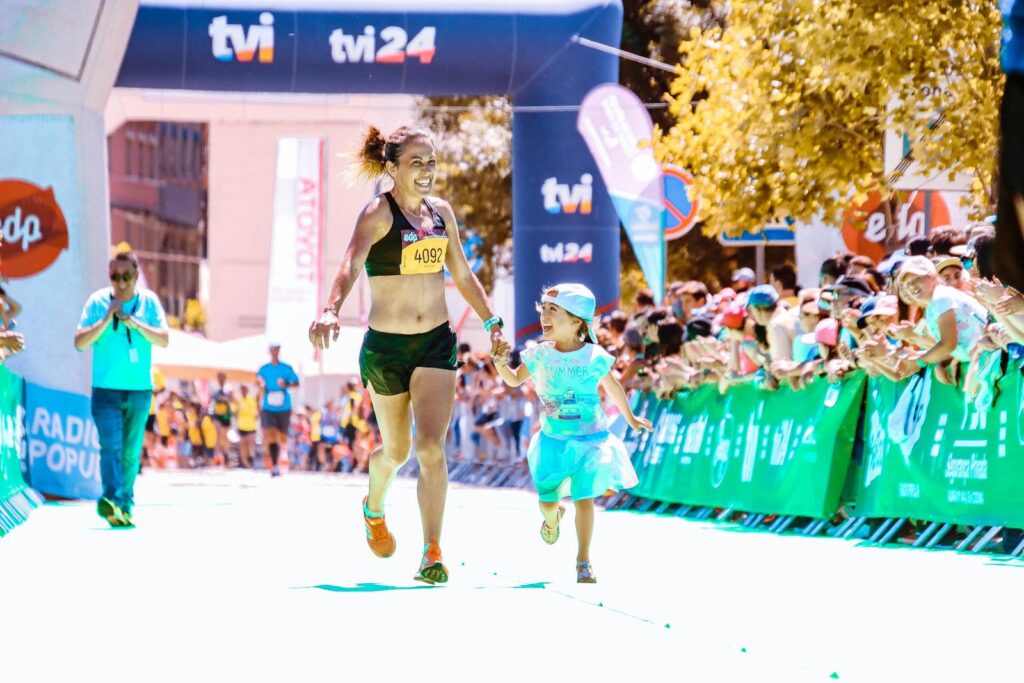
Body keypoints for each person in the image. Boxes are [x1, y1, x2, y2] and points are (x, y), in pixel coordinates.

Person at [308, 124, 506, 584]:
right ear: (392, 167)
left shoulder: (441, 214)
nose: (426, 171)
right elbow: (350, 262)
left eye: (431, 162)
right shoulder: (378, 213)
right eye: (415, 162)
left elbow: (461, 271)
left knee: (431, 447)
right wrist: (330, 310)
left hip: (435, 342)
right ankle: (373, 507)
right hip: (386, 348)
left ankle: (432, 551)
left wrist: (493, 321)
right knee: (396, 451)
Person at [491, 283, 653, 583]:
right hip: (554, 441)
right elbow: (513, 380)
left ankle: (583, 561)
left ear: (577, 320)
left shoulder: (594, 355)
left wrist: (630, 418)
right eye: (544, 310)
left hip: (591, 441)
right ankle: (552, 521)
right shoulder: (538, 354)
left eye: (554, 310)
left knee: (584, 498)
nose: (544, 316)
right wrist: (500, 363)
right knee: (548, 502)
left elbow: (614, 387)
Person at [74, 251, 169, 527]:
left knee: (130, 451)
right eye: (115, 276)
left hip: (139, 391)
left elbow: (163, 339)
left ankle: (125, 503)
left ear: (136, 276)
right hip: (105, 390)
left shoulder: (149, 303)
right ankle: (112, 499)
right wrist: (106, 319)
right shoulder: (97, 302)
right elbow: (80, 342)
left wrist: (134, 323)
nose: (121, 282)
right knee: (110, 447)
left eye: (126, 276)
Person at [257, 343, 299, 477]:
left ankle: (283, 456)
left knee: (282, 436)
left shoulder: (286, 368)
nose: (275, 351)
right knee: (270, 434)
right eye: (273, 349)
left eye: (277, 349)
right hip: (268, 406)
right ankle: (275, 465)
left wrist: (286, 384)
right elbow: (257, 380)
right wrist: (260, 383)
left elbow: (296, 383)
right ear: (269, 351)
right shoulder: (264, 368)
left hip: (284, 406)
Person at [209, 372, 234, 466]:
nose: (221, 379)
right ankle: (217, 456)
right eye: (219, 377)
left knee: (224, 436)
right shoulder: (215, 389)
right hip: (217, 414)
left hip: (226, 415)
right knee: (217, 434)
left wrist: (226, 399)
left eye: (222, 377)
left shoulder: (229, 388)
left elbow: (232, 399)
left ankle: (226, 454)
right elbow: (211, 399)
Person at [235, 384, 258, 468]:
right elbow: (235, 413)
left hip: (251, 426)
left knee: (250, 443)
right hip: (241, 425)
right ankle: (245, 463)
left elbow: (256, 412)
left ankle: (250, 458)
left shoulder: (252, 400)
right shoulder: (238, 400)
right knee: (243, 445)